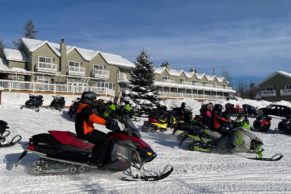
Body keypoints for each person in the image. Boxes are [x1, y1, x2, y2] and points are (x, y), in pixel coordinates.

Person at [75, 91, 120, 165]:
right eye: (94, 99)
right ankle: (97, 162)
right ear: (88, 99)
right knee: (105, 141)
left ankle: (96, 156)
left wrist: (107, 119)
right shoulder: (85, 108)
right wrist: (106, 122)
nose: (95, 101)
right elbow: (92, 117)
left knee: (107, 137)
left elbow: (95, 115)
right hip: (85, 133)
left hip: (87, 130)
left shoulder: (84, 106)